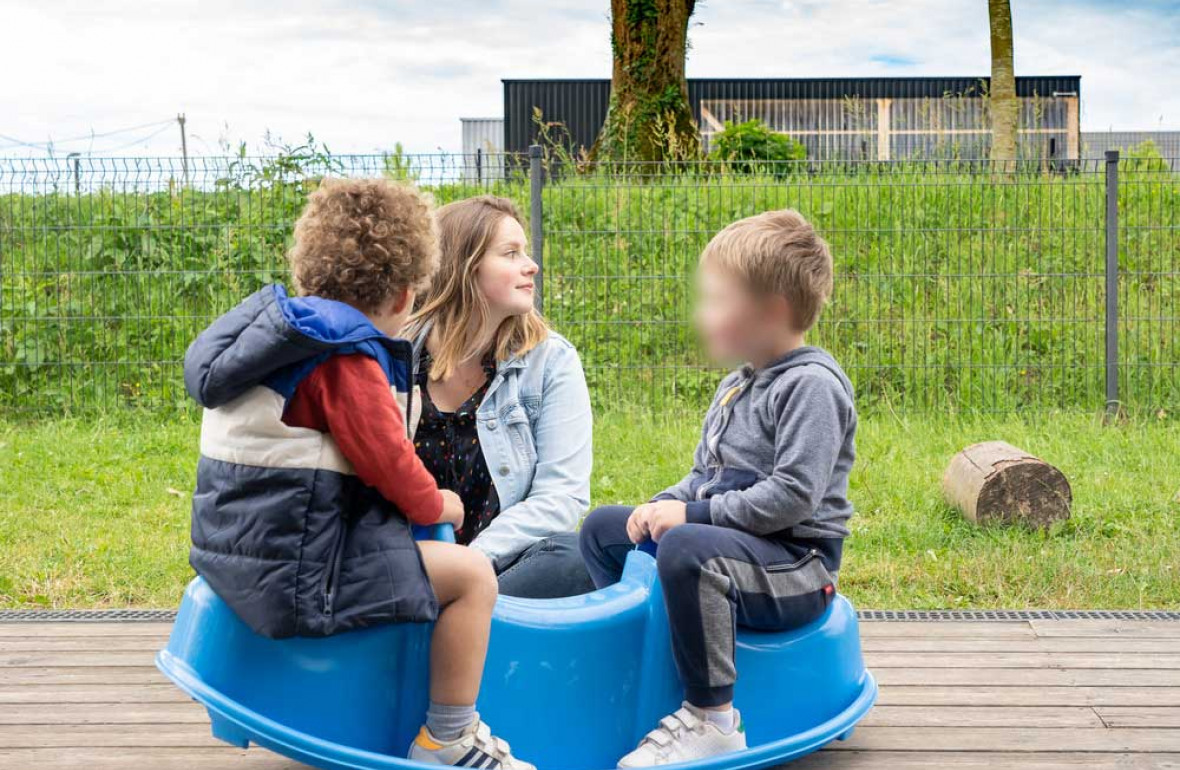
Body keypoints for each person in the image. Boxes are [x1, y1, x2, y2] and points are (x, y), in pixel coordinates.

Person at [183, 178, 534, 769]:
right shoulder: (345, 357)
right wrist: (440, 506)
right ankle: (448, 738)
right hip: (299, 570)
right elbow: (390, 463)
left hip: (238, 549)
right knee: (471, 575)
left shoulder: (279, 338)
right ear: (403, 295)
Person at [579, 209, 857, 767]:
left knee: (686, 548)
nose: (702, 315)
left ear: (770, 311)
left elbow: (793, 497)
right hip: (732, 545)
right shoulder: (737, 384)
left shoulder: (811, 387)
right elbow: (704, 475)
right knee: (602, 529)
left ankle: (713, 719)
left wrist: (693, 518)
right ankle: (650, 648)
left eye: (715, 300)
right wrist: (664, 502)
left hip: (794, 564)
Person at [403, 195, 594, 598]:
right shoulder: (395, 355)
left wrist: (471, 563)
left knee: (571, 557)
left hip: (499, 566)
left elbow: (561, 498)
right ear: (463, 268)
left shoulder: (551, 361)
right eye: (511, 253)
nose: (531, 265)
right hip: (410, 562)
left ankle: (449, 620)